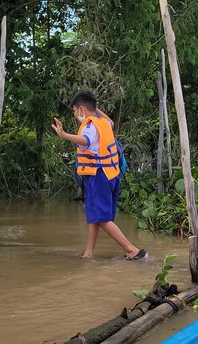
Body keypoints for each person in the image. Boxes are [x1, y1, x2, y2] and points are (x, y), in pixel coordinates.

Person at [52, 90, 148, 260]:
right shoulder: (103, 123)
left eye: (75, 111)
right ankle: (88, 253)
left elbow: (86, 141)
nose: (74, 115)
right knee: (95, 216)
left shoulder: (89, 127)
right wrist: (94, 110)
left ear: (81, 110)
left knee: (101, 218)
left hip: (98, 176)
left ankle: (131, 250)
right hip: (111, 174)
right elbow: (110, 121)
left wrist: (65, 135)